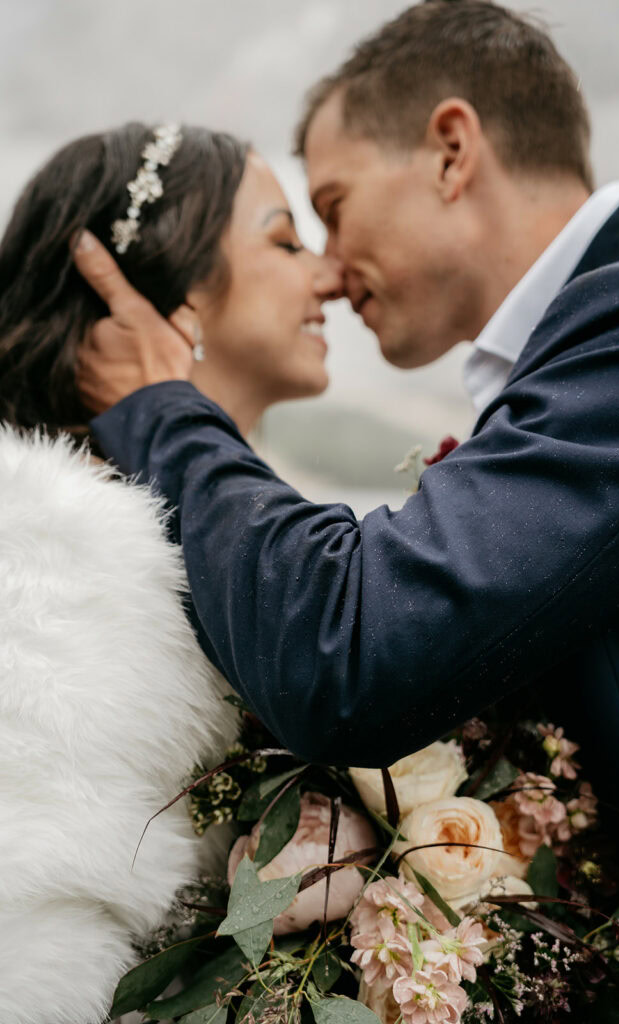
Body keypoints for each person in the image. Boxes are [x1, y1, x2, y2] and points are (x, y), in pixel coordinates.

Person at [74, 2, 619, 947]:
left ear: (450, 152)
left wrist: (163, 408)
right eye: (296, 235)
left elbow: (354, 649)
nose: (328, 267)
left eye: (333, 208)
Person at [0, 121, 341, 1024]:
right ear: (174, 297)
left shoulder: (255, 551)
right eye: (285, 241)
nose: (330, 276)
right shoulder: (54, 554)